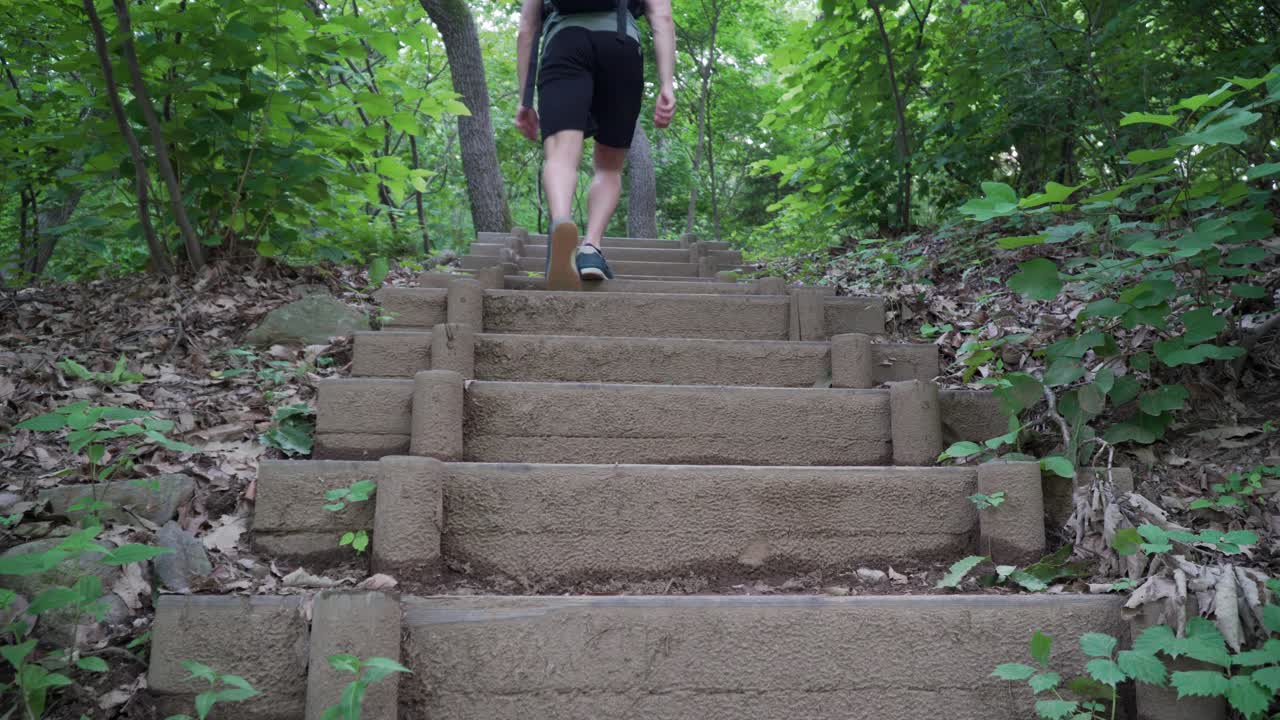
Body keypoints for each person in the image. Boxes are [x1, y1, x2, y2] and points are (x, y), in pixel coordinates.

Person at [516, 0, 676, 290]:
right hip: (621, 46)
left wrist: (524, 100)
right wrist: (667, 84)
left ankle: (562, 223)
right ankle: (591, 248)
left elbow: (527, 26)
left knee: (561, 156)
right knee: (609, 166)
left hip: (565, 43)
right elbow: (661, 16)